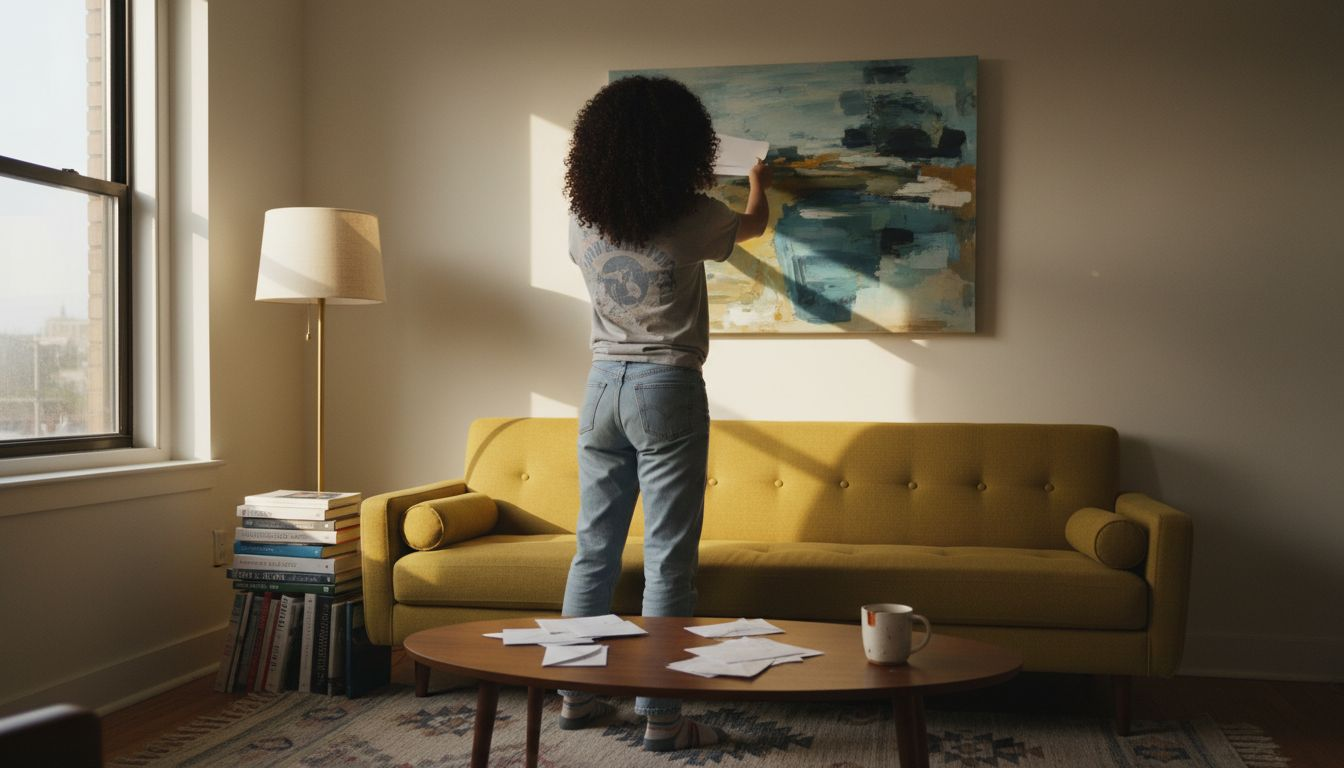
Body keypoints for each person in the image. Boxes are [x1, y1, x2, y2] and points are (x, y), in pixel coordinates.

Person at [559, 75, 771, 752]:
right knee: (667, 561)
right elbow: (755, 226)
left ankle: (577, 697)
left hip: (598, 388)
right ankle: (663, 720)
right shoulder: (695, 213)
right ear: (684, 148)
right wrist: (758, 179)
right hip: (666, 386)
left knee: (593, 549)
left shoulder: (582, 220)